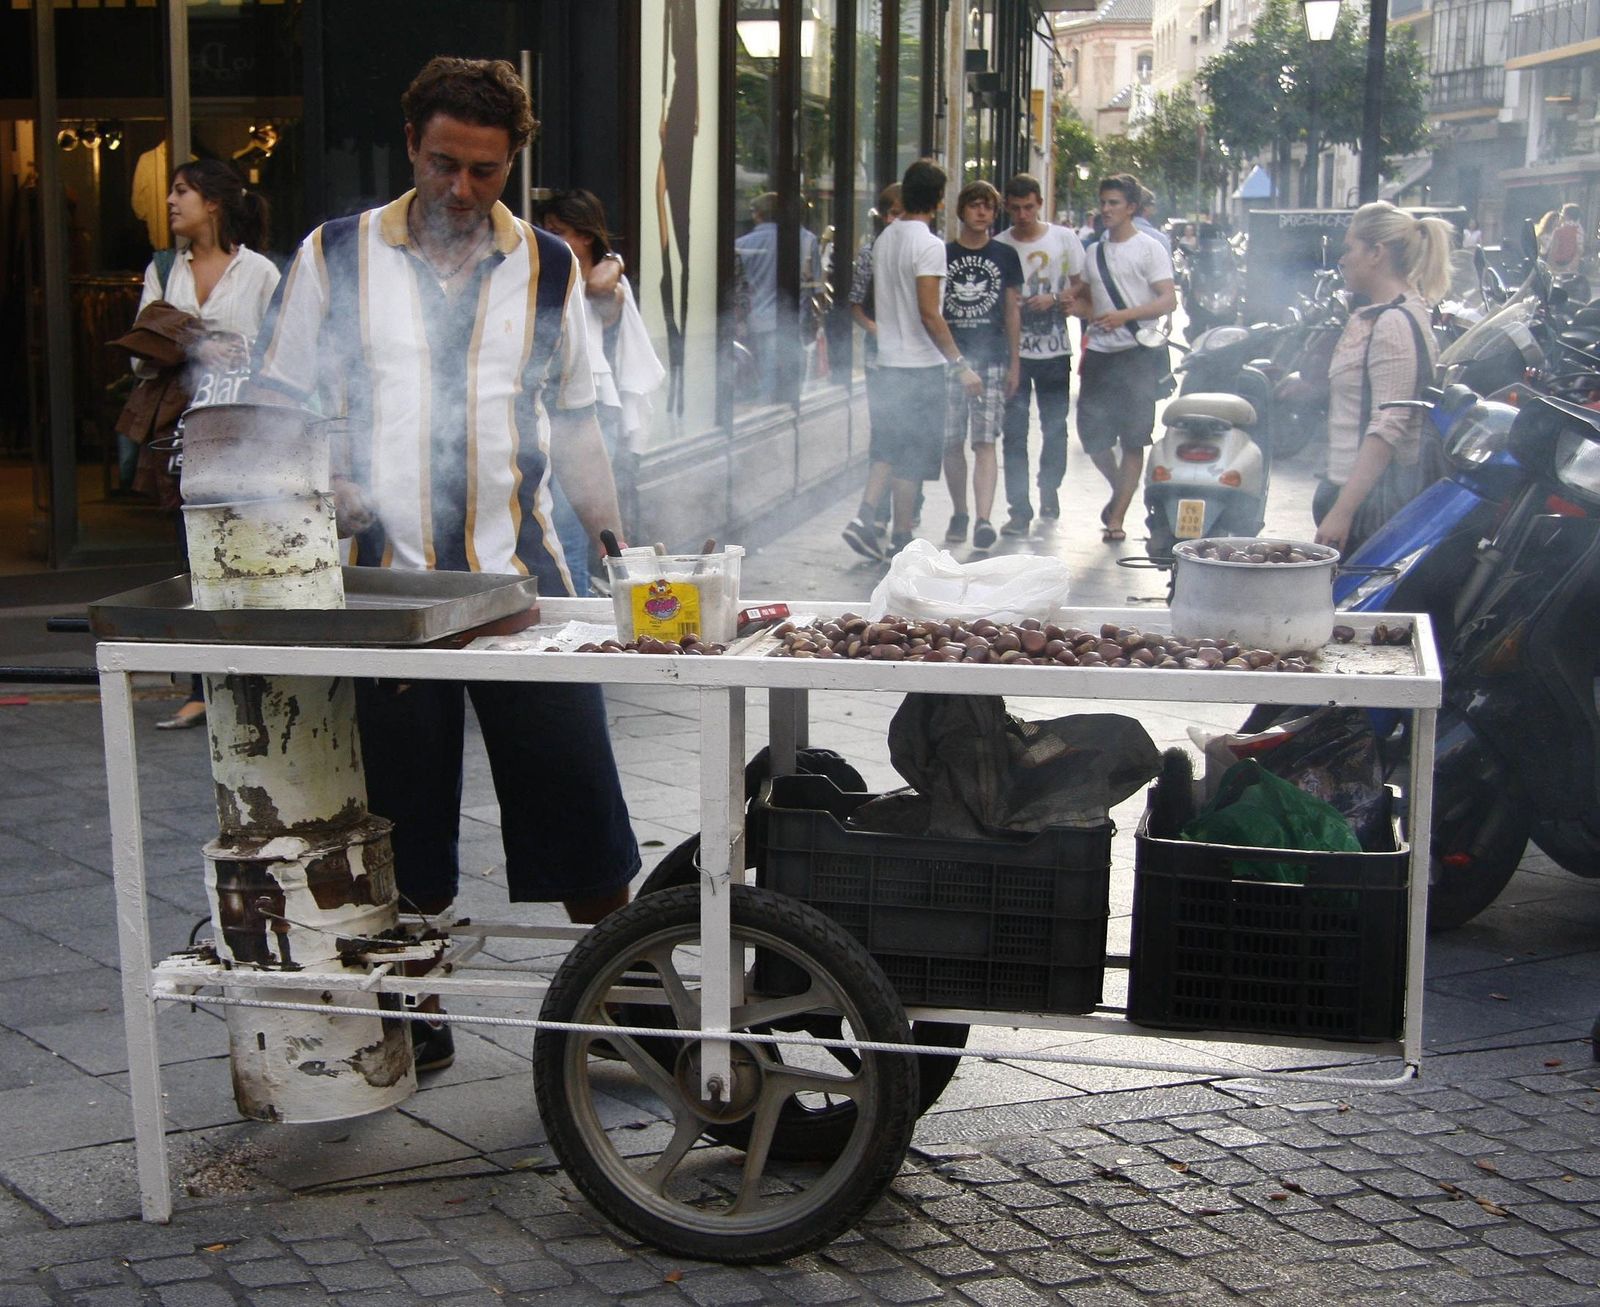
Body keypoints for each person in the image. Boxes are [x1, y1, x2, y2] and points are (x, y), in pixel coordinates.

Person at [250, 56, 640, 1073]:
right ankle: (414, 1012)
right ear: (411, 143)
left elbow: (583, 423)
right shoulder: (335, 256)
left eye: (484, 172)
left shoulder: (550, 264)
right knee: (399, 830)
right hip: (381, 594)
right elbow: (289, 407)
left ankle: (631, 998)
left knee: (584, 816)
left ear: (511, 163)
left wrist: (620, 550)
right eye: (442, 164)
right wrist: (323, 479)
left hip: (524, 592)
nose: (461, 190)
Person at [123, 159, 279, 730]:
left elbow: (279, 352)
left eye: (181, 191)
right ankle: (199, 686)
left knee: (247, 552)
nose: (170, 201)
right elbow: (141, 352)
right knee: (193, 557)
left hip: (243, 431)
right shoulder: (165, 269)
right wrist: (198, 346)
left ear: (213, 203)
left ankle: (251, 677)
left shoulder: (260, 272)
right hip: (182, 433)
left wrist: (240, 351)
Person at [840, 158, 978, 559]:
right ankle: (896, 532)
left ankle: (872, 520)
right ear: (938, 198)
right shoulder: (929, 245)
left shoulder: (885, 239)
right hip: (920, 367)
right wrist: (960, 364)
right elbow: (930, 312)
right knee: (912, 456)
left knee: (889, 446)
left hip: (886, 362)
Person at [536, 189, 665, 593]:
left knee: (570, 520)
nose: (548, 237)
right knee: (552, 515)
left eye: (558, 231)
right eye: (544, 229)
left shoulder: (606, 282)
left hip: (590, 411)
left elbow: (598, 289)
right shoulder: (548, 274)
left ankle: (577, 597)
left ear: (586, 236)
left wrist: (613, 259)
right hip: (550, 406)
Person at [1312, 202, 1450, 555]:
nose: (1342, 260)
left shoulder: (1394, 322)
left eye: (1349, 248)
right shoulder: (1381, 314)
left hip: (1370, 508)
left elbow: (1388, 425)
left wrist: (1343, 511)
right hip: (1355, 496)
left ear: (1376, 252)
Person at [1074, 173, 1176, 543]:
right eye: (1103, 202)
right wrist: (1072, 305)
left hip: (1137, 354)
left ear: (1131, 208)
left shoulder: (1149, 248)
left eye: (1114, 203)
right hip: (1100, 352)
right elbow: (1085, 298)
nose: (1106, 210)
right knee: (1092, 434)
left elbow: (1168, 299)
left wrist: (1123, 316)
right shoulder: (1093, 251)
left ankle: (1116, 517)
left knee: (1134, 438)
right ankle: (1123, 490)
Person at [994, 173, 1085, 534]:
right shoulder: (1000, 245)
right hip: (1013, 352)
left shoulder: (1064, 238)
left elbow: (1080, 283)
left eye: (1028, 207)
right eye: (1015, 209)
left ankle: (1049, 488)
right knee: (1014, 431)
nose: (1022, 215)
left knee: (1054, 426)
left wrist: (1058, 297)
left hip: (1054, 349)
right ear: (1007, 208)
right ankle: (1019, 508)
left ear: (1039, 204)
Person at [940, 181, 1021, 550]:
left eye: (988, 206)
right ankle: (960, 511)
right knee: (951, 439)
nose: (982, 212)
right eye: (974, 205)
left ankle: (984, 518)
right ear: (961, 210)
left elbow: (1011, 311)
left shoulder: (1005, 255)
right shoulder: (943, 254)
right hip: (951, 358)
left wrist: (1015, 363)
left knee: (985, 441)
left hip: (991, 359)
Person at [846, 182, 904, 533]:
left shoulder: (925, 250)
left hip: (912, 358)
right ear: (885, 216)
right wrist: (873, 328)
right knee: (884, 429)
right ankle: (878, 511)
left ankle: (899, 510)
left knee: (906, 433)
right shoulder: (871, 253)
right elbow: (855, 302)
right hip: (879, 357)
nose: (899, 220)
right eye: (894, 213)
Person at [733, 191, 820, 401]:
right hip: (793, 321)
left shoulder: (743, 244)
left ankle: (765, 413)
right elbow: (816, 286)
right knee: (790, 381)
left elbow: (737, 287)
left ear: (759, 214)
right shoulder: (807, 240)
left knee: (764, 375)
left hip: (757, 320)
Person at [1547, 203, 1584, 274]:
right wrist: (1572, 265)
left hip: (1557, 264)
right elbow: (1579, 251)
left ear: (1566, 216)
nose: (1561, 215)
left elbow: (1553, 250)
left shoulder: (1559, 231)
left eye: (1562, 212)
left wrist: (1549, 266)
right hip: (1572, 266)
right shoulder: (1579, 231)